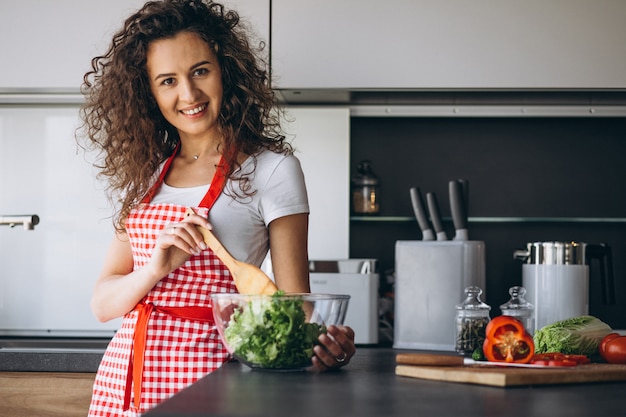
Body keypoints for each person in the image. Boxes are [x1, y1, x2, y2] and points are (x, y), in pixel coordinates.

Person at [78, 1, 356, 415]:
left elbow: (295, 305)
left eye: (200, 71)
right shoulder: (146, 174)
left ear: (226, 70)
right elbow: (103, 304)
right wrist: (154, 270)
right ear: (148, 92)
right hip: (124, 382)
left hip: (215, 383)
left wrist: (328, 346)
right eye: (168, 80)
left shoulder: (273, 170)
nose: (188, 94)